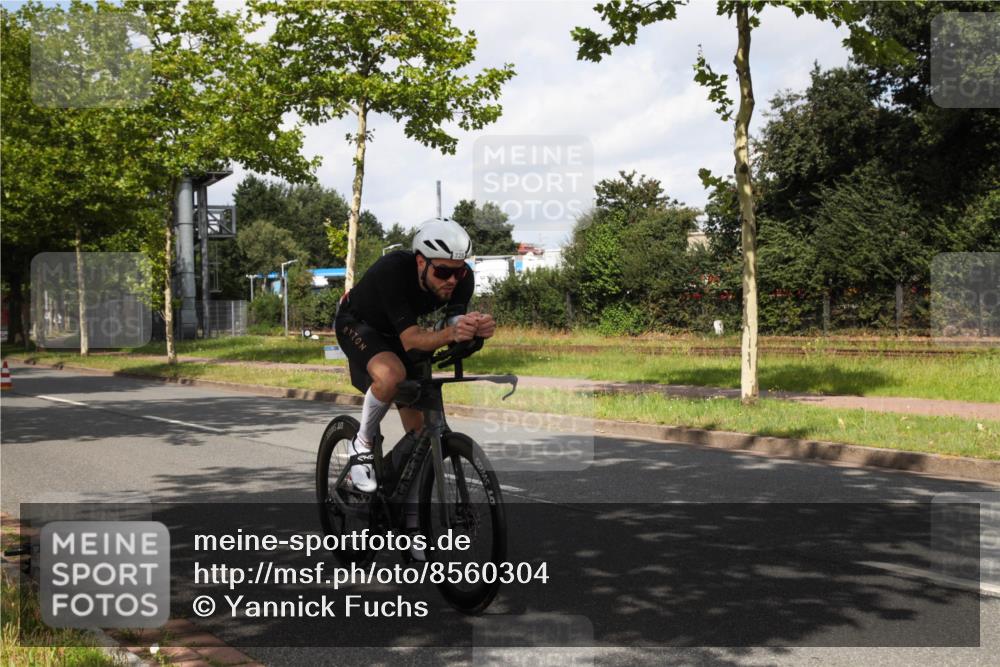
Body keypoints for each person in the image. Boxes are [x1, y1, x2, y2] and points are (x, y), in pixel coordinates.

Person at [334, 218, 496, 498]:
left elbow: (451, 324)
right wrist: (452, 332)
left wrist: (475, 329)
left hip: (398, 333)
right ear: (421, 262)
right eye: (444, 272)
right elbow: (411, 340)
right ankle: (362, 445)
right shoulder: (393, 270)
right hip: (358, 324)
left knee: (420, 433)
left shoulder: (461, 279)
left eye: (458, 273)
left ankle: (405, 516)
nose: (452, 281)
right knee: (391, 376)